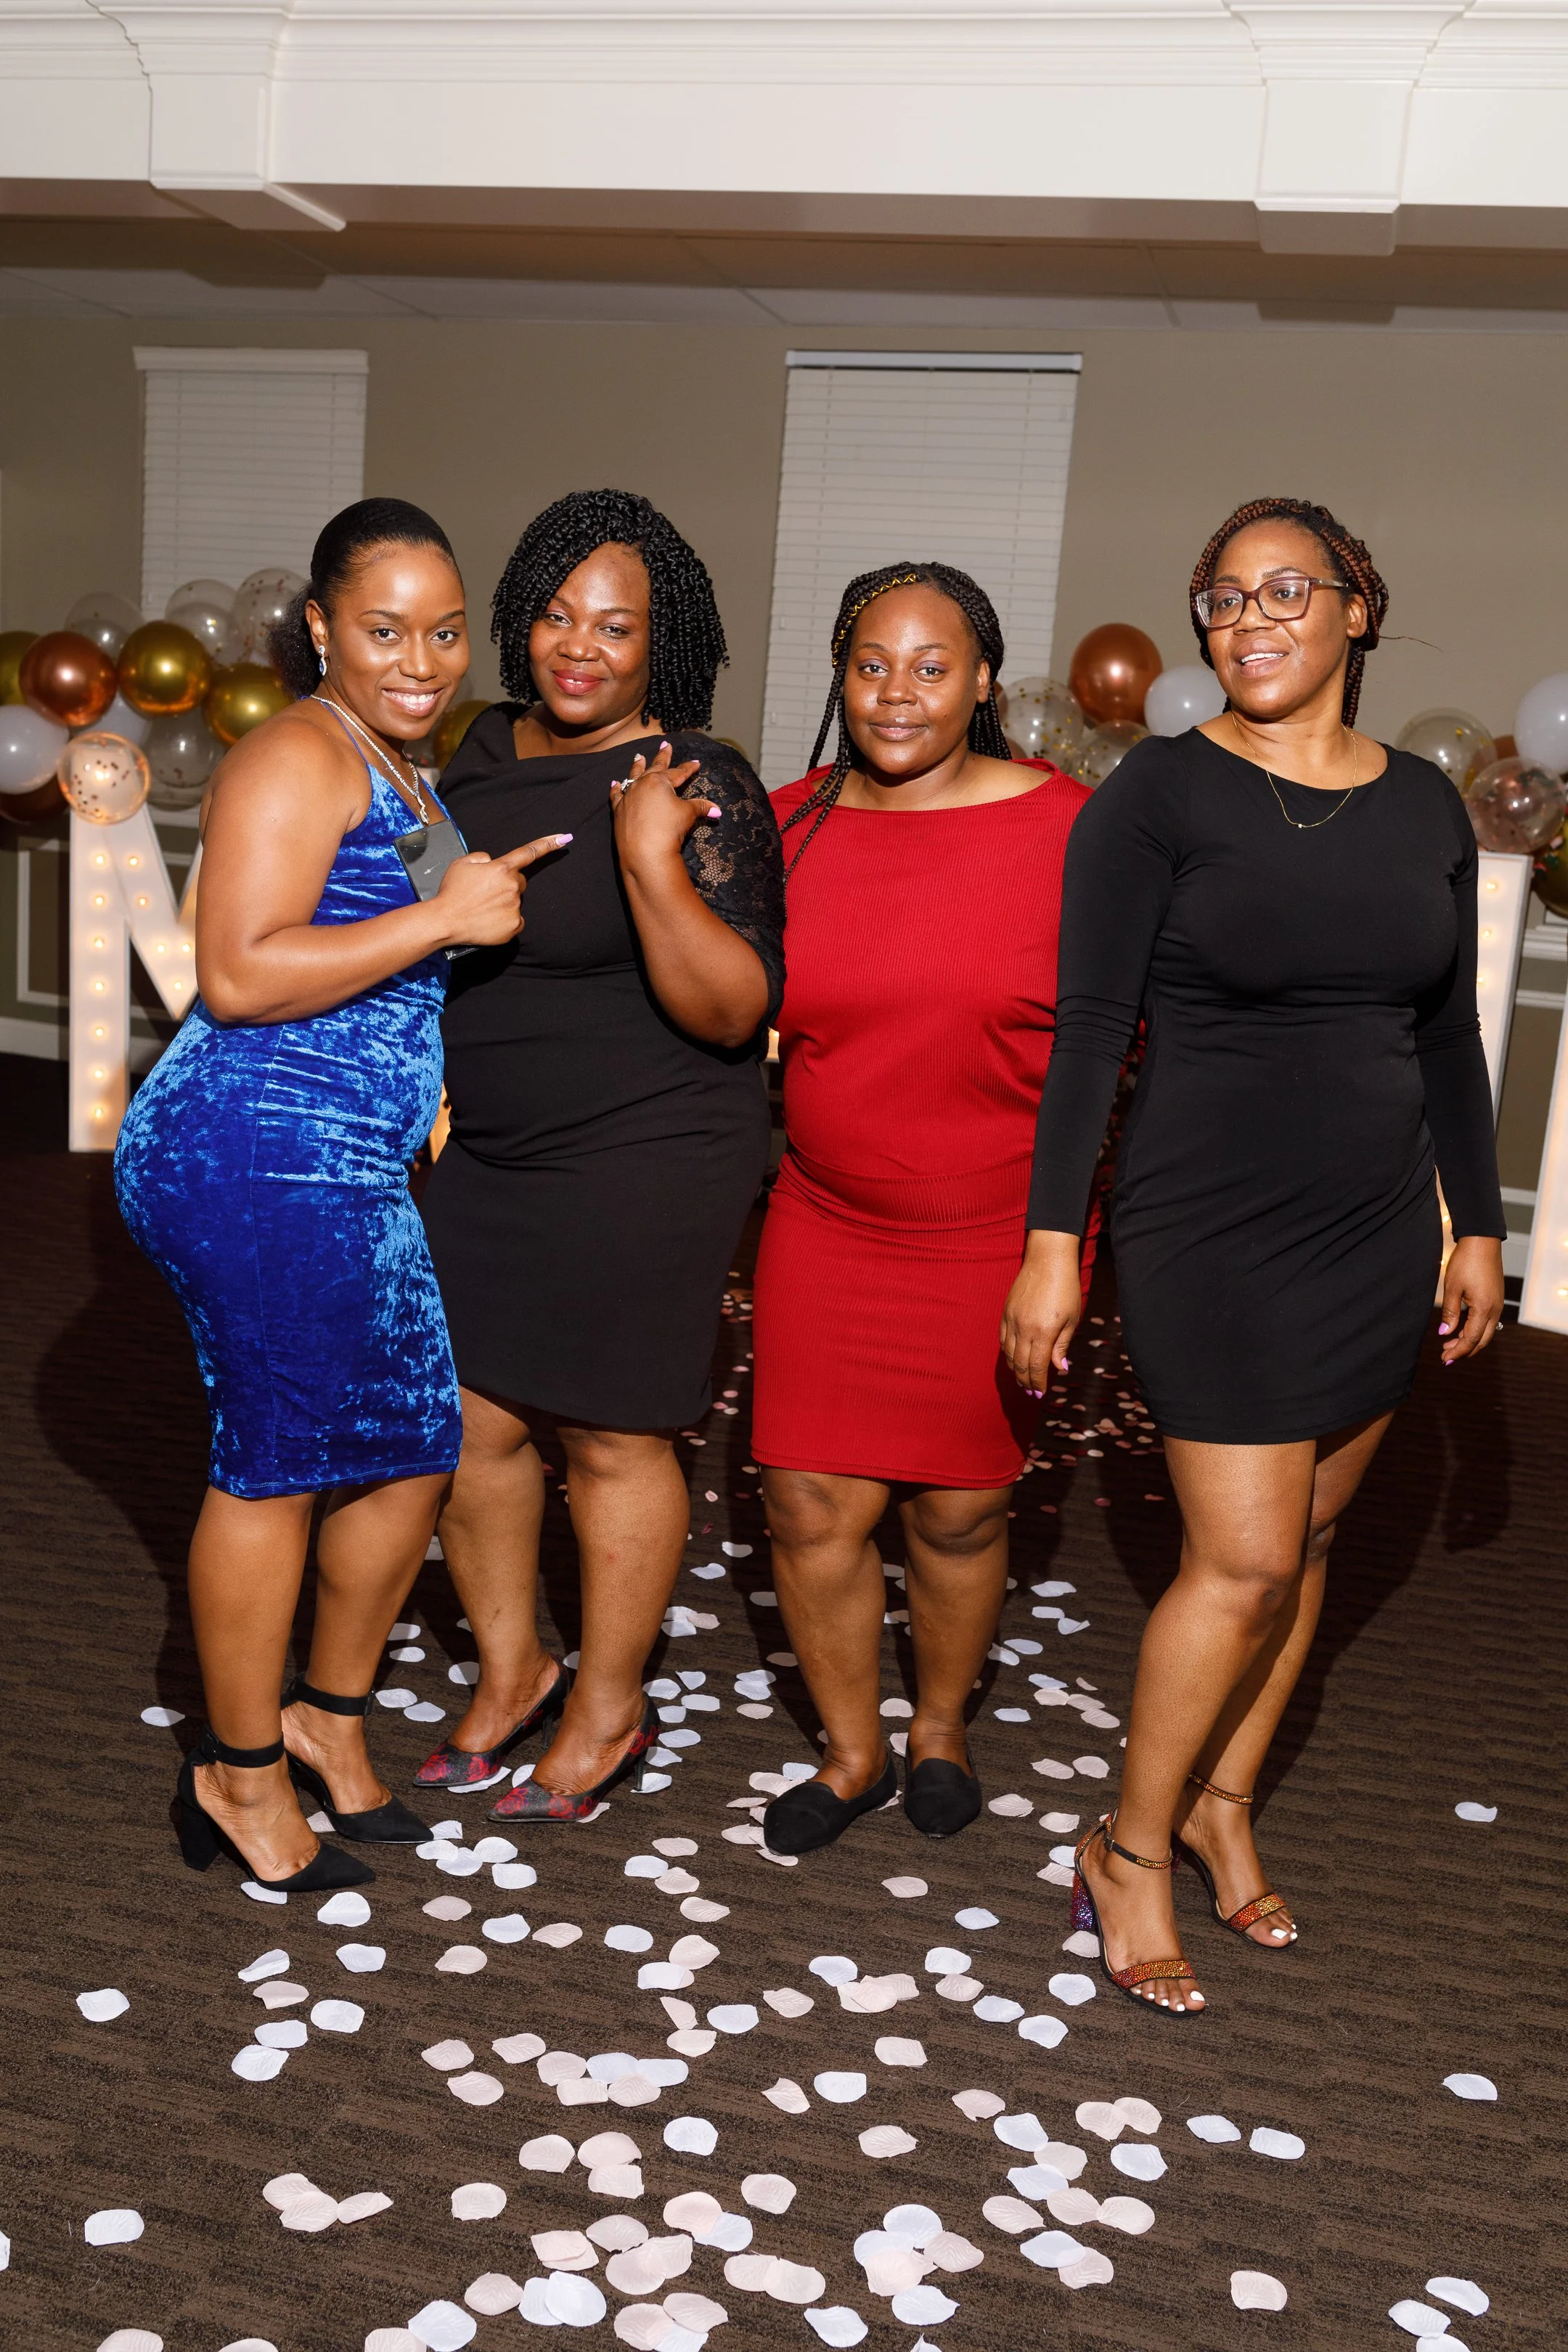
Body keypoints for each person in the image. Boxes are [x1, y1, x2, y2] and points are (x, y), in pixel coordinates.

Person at [1006, 497, 1506, 2014]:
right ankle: (1128, 1847)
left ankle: (1227, 1806)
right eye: (1223, 597)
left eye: (1290, 589)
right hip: (1206, 1223)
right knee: (1240, 1557)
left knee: (1313, 1552)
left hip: (1373, 1225)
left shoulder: (1425, 805)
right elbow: (1089, 1030)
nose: (1254, 618)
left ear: (1360, 605)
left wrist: (1474, 1220)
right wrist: (1051, 1245)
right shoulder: (1154, 797)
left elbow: (1442, 1034)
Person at [115, 498, 565, 1892]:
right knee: (277, 1465)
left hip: (348, 1157)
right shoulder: (293, 754)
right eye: (384, 630)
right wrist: (443, 915)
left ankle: (328, 1715)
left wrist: (425, 1055)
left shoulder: (405, 769)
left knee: (416, 1450)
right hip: (248, 1149)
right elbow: (241, 975)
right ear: (320, 627)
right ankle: (239, 1776)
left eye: (442, 630)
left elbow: (393, 965)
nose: (421, 659)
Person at [417, 489, 785, 1824]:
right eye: (560, 615)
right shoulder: (471, 750)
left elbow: (734, 1010)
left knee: (617, 1430)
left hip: (652, 1145)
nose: (581, 647)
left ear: (660, 643)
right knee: (466, 1419)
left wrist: (651, 862)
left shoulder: (697, 780)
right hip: (497, 1144)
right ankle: (513, 1666)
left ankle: (610, 1701)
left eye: (616, 626)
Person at [748, 562, 1090, 1856]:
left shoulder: (1070, 829)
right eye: (871, 665)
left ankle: (942, 1725)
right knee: (807, 1504)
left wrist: (1065, 1247)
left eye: (933, 665)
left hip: (997, 1229)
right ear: (839, 676)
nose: (898, 693)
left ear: (986, 680)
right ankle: (850, 1752)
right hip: (827, 1218)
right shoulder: (782, 828)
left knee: (960, 1510)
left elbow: (1120, 1038)